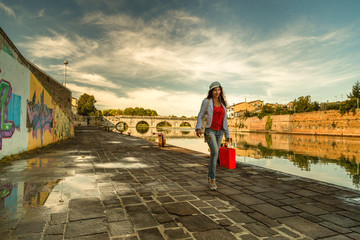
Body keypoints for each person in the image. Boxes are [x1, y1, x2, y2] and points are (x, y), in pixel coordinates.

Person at [195, 81, 230, 190]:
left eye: (219, 90)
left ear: (221, 91)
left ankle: (210, 176)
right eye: (215, 90)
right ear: (211, 91)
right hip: (209, 130)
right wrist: (198, 127)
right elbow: (201, 115)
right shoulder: (206, 102)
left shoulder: (223, 104)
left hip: (220, 132)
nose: (217, 92)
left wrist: (227, 133)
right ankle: (212, 178)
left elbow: (225, 120)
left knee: (215, 154)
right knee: (215, 152)